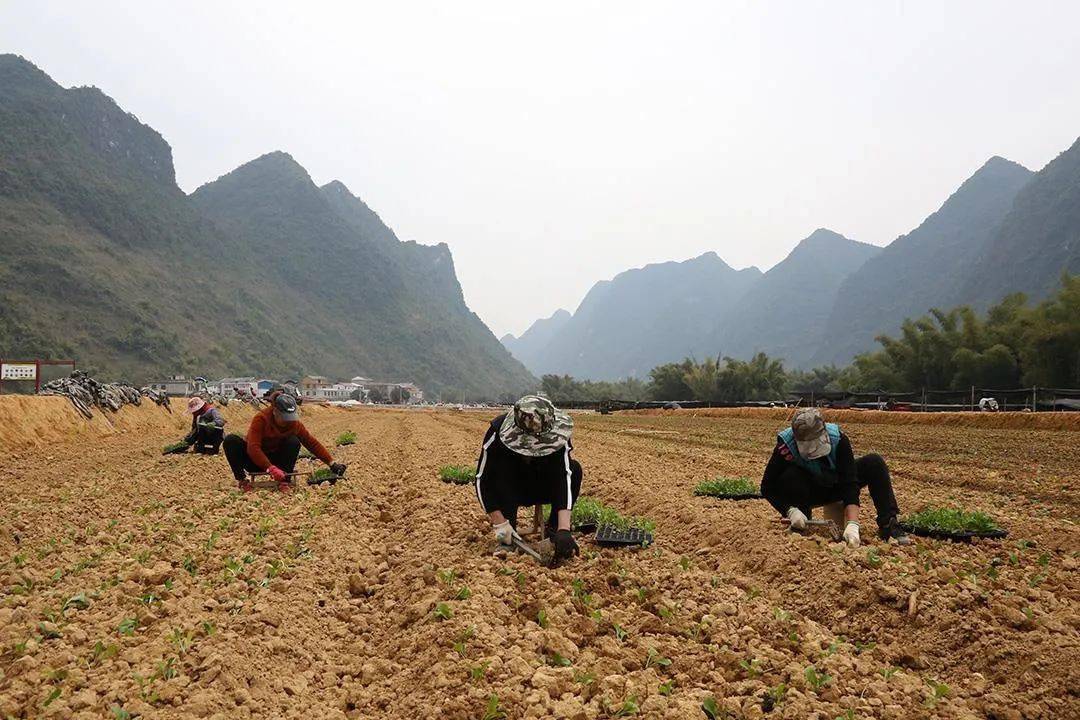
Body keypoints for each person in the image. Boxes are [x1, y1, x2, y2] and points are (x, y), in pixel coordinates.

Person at [760, 408, 910, 546]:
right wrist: (789, 510)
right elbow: (767, 487)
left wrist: (853, 523)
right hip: (809, 491)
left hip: (836, 483)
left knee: (874, 463)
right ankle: (801, 520)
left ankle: (888, 524)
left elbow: (850, 483)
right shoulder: (785, 447)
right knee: (792, 475)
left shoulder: (839, 440)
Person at [475, 395, 582, 563]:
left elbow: (565, 475)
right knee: (499, 472)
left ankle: (554, 529)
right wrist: (500, 524)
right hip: (511, 488)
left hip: (543, 484)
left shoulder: (559, 434)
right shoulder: (497, 431)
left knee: (575, 469)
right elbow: (483, 479)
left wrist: (564, 529)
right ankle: (508, 536)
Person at [223, 391, 346, 492]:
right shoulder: (261, 419)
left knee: (293, 441)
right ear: (275, 411)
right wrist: (269, 468)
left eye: (290, 417)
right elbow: (253, 447)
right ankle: (242, 481)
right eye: (285, 418)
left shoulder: (294, 424)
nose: (288, 421)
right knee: (231, 441)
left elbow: (311, 443)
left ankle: (284, 481)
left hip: (278, 462)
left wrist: (332, 463)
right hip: (255, 460)